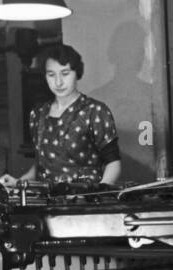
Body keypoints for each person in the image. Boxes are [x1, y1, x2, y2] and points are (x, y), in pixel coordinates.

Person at [9, 44, 121, 187]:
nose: (58, 82)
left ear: (77, 73)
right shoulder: (38, 114)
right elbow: (40, 165)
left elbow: (113, 162)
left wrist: (100, 191)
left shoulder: (95, 111)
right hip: (48, 201)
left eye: (65, 73)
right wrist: (18, 183)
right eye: (51, 75)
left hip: (85, 199)